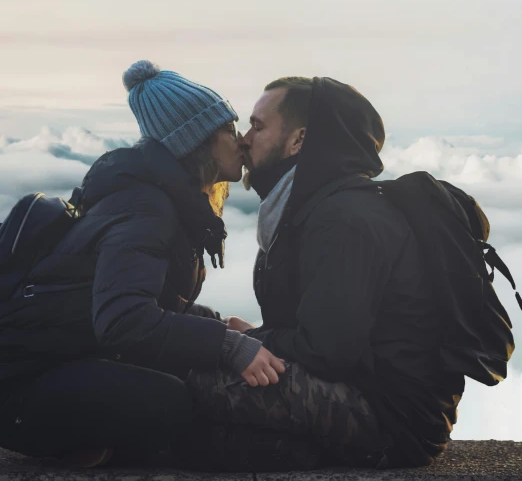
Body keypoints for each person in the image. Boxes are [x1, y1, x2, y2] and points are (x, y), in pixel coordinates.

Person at [0, 60, 284, 467]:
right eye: (227, 127)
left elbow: (148, 297)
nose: (240, 139)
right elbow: (124, 319)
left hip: (61, 358)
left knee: (178, 385)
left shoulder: (160, 197)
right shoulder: (146, 208)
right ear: (196, 141)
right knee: (167, 401)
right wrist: (226, 346)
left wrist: (220, 324)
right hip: (21, 383)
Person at [189, 76, 465, 469]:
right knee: (209, 359)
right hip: (367, 395)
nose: (244, 139)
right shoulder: (310, 209)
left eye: (258, 125)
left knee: (197, 383)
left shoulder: (343, 219)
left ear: (299, 140)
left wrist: (256, 338)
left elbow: (328, 351)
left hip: (390, 419)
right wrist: (253, 340)